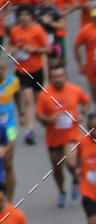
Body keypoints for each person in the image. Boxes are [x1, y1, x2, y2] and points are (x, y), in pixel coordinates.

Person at [35, 61, 88, 207]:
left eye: (61, 76)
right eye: (55, 77)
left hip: (71, 135)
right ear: (51, 78)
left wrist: (82, 114)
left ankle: (75, 179)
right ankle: (62, 192)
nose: (58, 79)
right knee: (57, 169)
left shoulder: (75, 90)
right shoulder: (44, 94)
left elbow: (85, 101)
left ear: (65, 76)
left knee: (71, 162)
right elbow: (38, 115)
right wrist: (49, 119)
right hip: (53, 139)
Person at [9, 3, 50, 144]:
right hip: (22, 70)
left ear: (31, 16)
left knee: (39, 101)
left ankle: (45, 122)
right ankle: (29, 131)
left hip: (37, 69)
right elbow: (11, 44)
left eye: (26, 15)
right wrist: (12, 50)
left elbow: (48, 49)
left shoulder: (37, 30)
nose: (24, 17)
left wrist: (34, 50)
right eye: (21, 15)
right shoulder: (15, 31)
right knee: (27, 99)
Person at [74, 5, 96, 110]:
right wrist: (80, 64)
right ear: (92, 18)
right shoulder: (86, 30)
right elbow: (76, 46)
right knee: (94, 87)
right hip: (91, 64)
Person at [0, 58, 19, 199]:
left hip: (9, 128)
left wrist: (22, 113)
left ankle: (9, 201)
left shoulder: (13, 82)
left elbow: (18, 96)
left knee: (8, 163)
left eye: (1, 68)